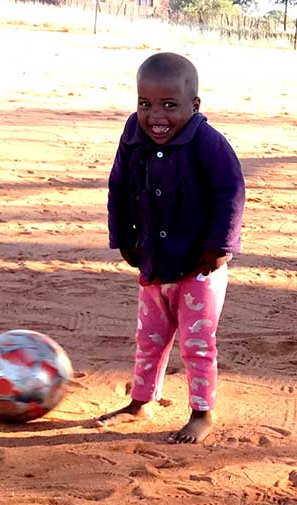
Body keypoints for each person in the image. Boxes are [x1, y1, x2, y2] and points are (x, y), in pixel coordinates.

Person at [96, 52, 245, 443]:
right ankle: (140, 402)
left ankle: (201, 413)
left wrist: (220, 246)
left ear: (194, 105)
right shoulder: (133, 136)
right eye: (145, 104)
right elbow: (118, 187)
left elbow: (230, 192)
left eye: (169, 105)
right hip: (153, 264)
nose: (155, 116)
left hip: (199, 268)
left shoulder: (208, 143)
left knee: (197, 345)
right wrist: (124, 237)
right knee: (149, 339)